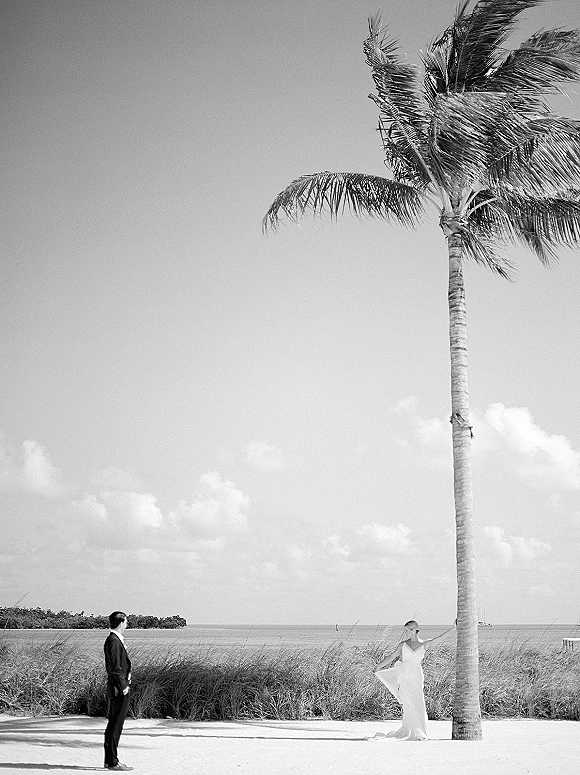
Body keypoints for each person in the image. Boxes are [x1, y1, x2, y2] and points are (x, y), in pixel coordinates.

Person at [370, 619, 455, 741]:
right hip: (405, 676)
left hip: (417, 675)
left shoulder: (423, 644)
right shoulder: (403, 645)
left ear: (414, 631)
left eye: (407, 631)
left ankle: (420, 731)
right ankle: (412, 731)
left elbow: (440, 638)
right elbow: (392, 656)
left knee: (418, 702)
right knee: (409, 703)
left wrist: (454, 628)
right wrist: (378, 666)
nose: (405, 633)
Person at [103, 611, 133, 771]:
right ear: (121, 623)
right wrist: (124, 687)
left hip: (117, 688)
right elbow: (115, 668)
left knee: (113, 724)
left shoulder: (113, 640)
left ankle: (110, 760)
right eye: (126, 622)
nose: (127, 625)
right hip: (118, 690)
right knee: (115, 725)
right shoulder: (114, 641)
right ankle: (113, 762)